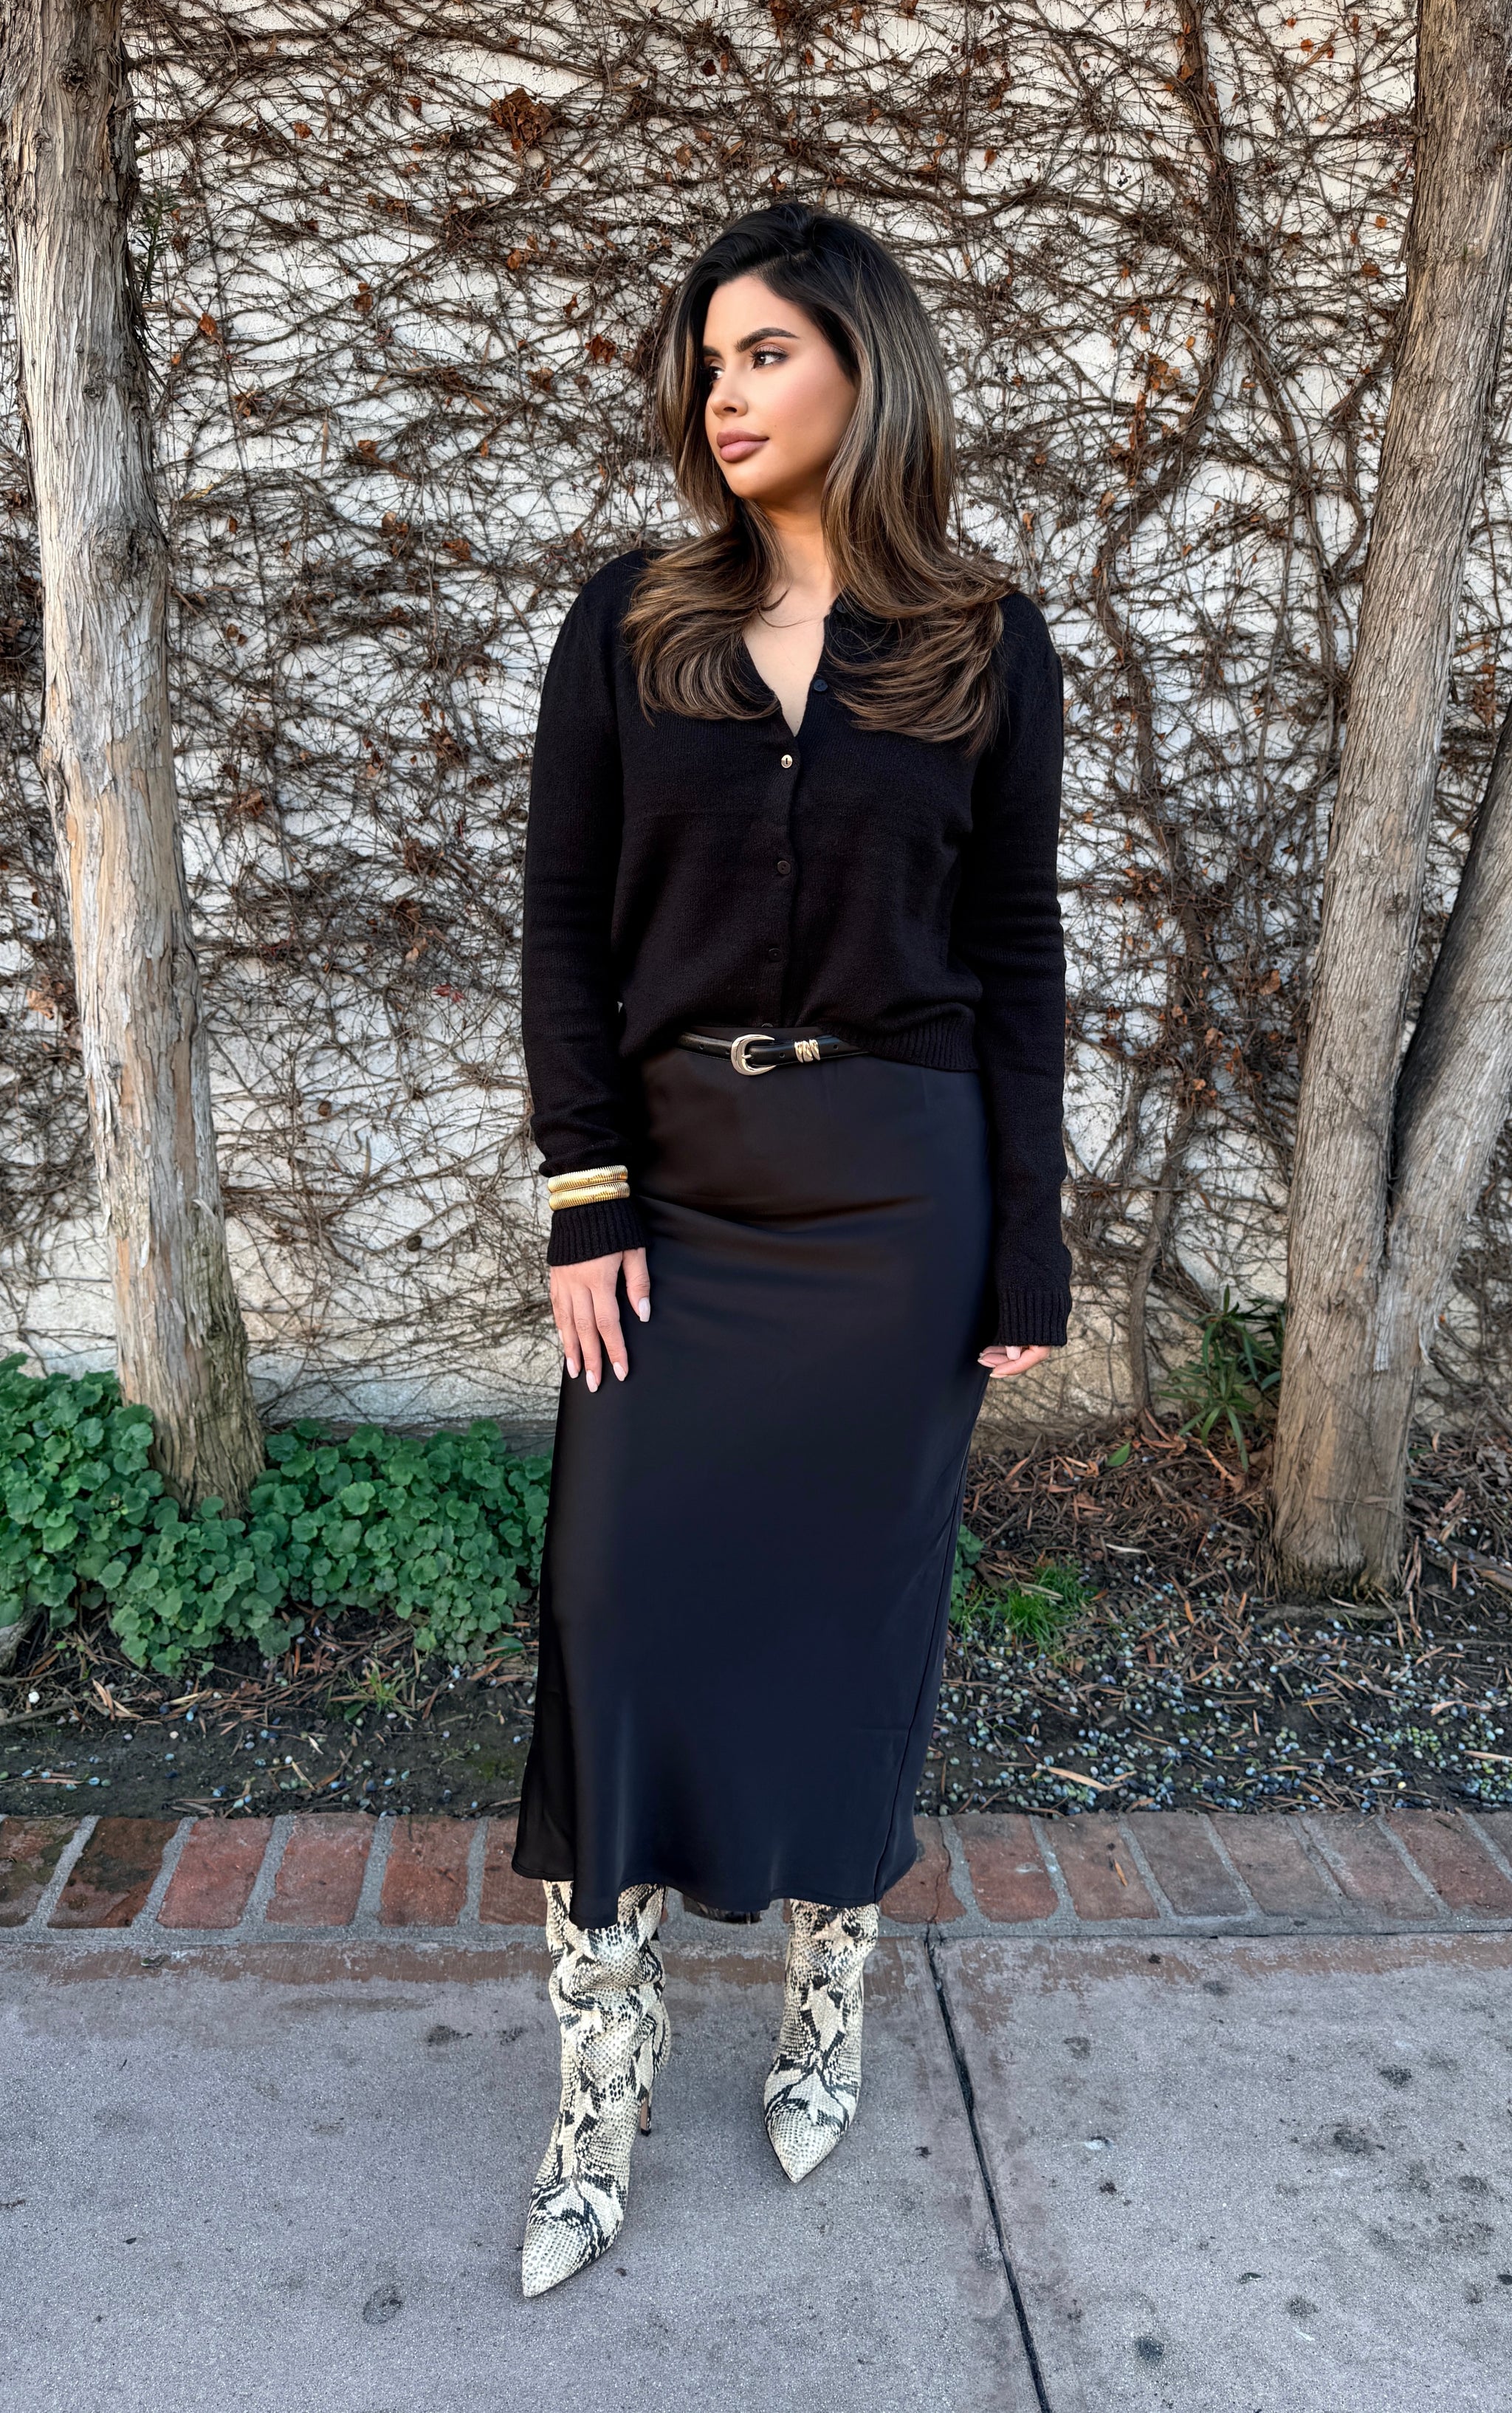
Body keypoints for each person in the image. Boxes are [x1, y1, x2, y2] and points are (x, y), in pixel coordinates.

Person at [510, 201, 1072, 2297]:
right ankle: (599, 2091)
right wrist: (586, 1188)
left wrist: (1031, 1246)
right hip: (677, 1199)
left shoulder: (985, 642)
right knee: (618, 1616)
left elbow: (1016, 954)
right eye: (707, 358)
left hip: (899, 1204)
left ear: (865, 363)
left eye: (763, 351)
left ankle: (827, 1998)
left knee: (852, 1625)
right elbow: (562, 924)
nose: (721, 391)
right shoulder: (633, 620)